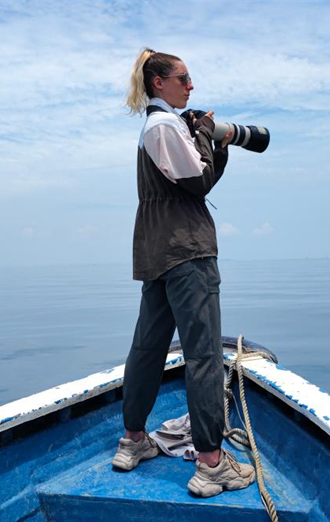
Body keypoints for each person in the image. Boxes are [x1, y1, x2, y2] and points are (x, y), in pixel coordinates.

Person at [111, 48, 256, 498]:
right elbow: (198, 183)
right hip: (187, 250)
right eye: (183, 79)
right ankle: (212, 463)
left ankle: (133, 441)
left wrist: (204, 139)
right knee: (204, 355)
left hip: (155, 249)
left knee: (147, 348)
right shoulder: (165, 125)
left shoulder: (154, 128)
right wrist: (217, 141)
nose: (190, 86)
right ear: (159, 83)